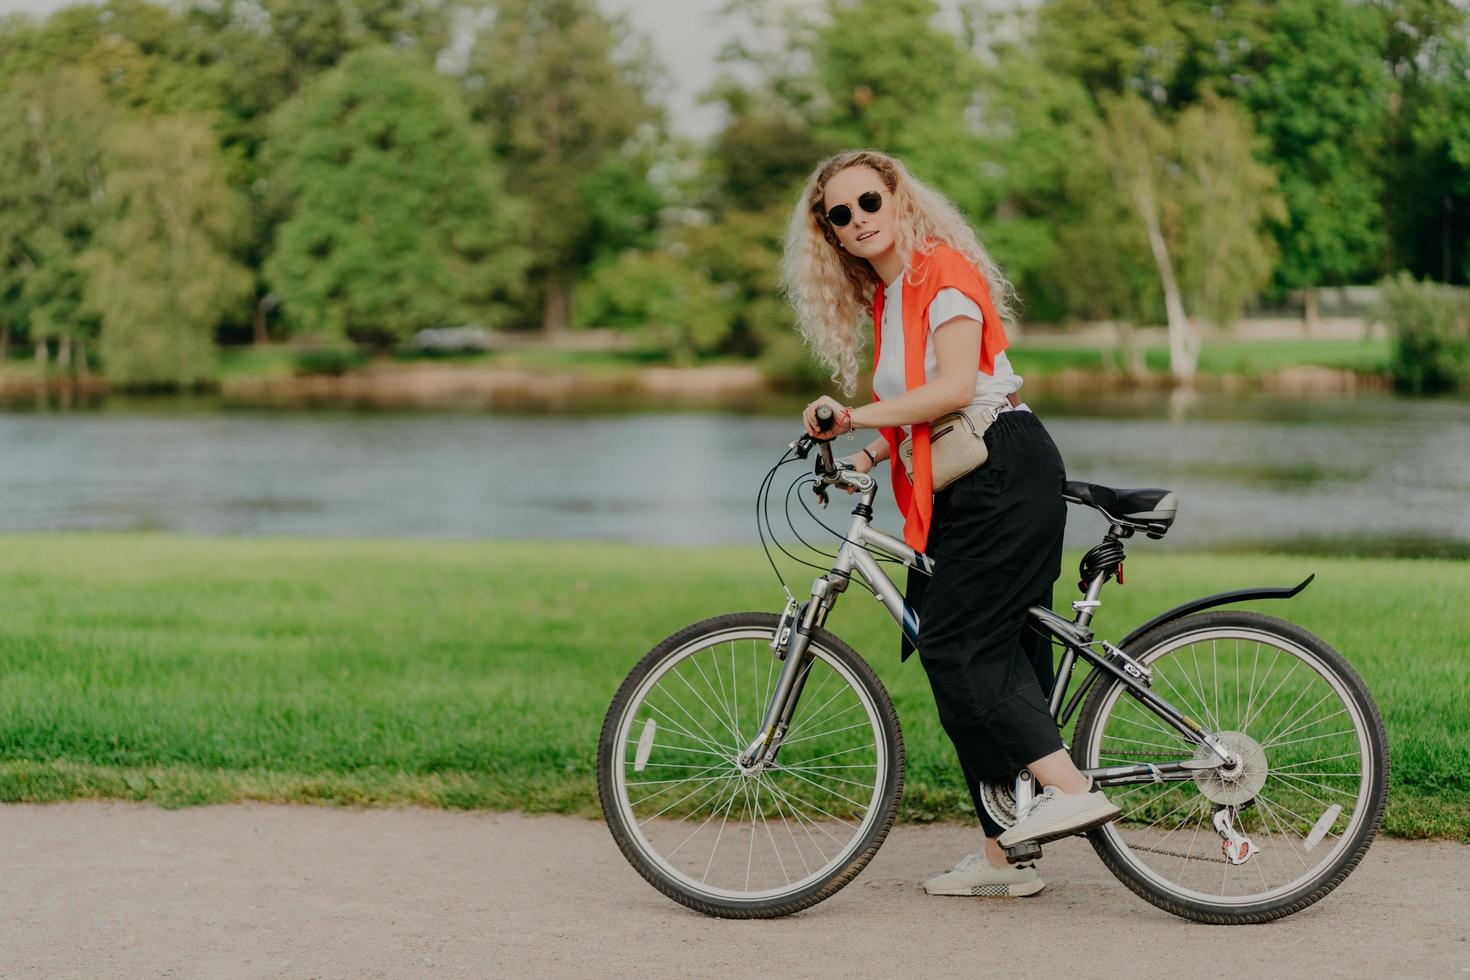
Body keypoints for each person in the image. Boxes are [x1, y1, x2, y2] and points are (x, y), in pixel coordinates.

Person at [779, 149, 1120, 899]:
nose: (858, 220)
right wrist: (867, 453)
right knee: (985, 661)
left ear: (896, 196)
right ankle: (1007, 857)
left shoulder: (944, 274)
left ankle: (1068, 791)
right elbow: (923, 406)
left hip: (1002, 471)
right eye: (840, 215)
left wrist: (856, 412)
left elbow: (959, 387)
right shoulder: (890, 297)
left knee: (957, 646)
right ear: (831, 235)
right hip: (963, 485)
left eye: (868, 201)